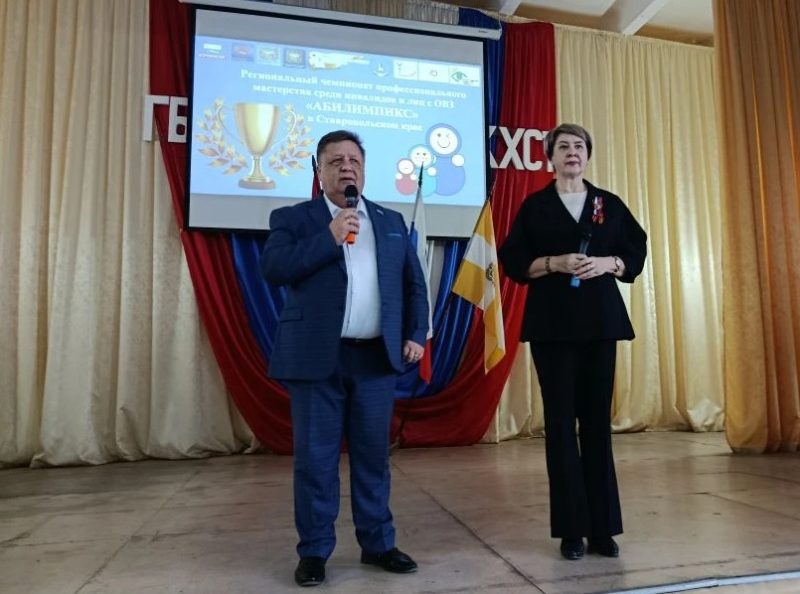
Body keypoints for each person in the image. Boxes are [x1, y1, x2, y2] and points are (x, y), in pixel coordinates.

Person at [261, 130, 429, 587]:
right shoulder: (294, 218)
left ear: (364, 169)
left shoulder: (390, 220)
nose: (346, 167)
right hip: (317, 359)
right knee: (316, 462)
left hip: (375, 358)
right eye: (335, 161)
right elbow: (275, 269)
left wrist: (415, 333)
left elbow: (412, 283)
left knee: (373, 458)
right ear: (319, 172)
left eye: (353, 160)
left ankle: (378, 543)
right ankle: (315, 551)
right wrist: (329, 237)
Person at [498, 123, 647, 561]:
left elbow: (636, 250)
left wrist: (608, 263)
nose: (572, 152)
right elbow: (513, 261)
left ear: (588, 155)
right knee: (561, 427)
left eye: (579, 146)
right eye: (563, 146)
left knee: (597, 425)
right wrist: (554, 263)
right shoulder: (536, 206)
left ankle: (603, 529)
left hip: (600, 325)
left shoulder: (608, 203)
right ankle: (571, 531)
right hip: (553, 328)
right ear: (550, 157)